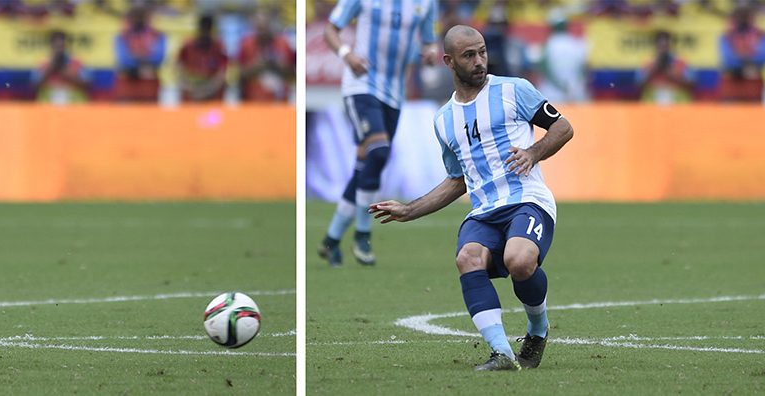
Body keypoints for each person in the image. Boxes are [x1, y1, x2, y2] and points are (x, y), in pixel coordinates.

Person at [369, 25, 574, 371]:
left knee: (520, 260)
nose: (479, 61)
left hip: (527, 199)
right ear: (449, 61)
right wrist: (409, 209)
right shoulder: (444, 120)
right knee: (467, 257)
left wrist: (533, 152)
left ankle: (537, 329)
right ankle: (502, 353)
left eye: (482, 52)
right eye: (469, 55)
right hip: (483, 211)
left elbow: (563, 127)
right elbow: (456, 181)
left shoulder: (514, 90)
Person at [317, 0, 439, 267]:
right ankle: (362, 234)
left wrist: (430, 51)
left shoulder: (426, 3)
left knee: (366, 166)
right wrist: (347, 54)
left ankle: (331, 241)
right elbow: (330, 30)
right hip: (360, 85)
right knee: (379, 151)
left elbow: (429, 40)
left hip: (395, 95)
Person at [237, 9, 295, 102]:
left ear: (271, 25)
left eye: (265, 27)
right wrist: (257, 66)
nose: (262, 32)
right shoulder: (246, 44)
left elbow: (293, 73)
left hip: (280, 101)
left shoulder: (283, 43)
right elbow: (239, 75)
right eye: (259, 28)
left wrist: (280, 66)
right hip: (253, 101)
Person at [114, 4, 166, 102]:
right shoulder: (123, 36)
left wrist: (135, 57)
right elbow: (123, 60)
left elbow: (158, 58)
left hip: (150, 84)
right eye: (136, 15)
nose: (139, 18)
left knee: (150, 115)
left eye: (141, 15)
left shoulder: (157, 35)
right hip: (128, 83)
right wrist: (145, 60)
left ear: (148, 16)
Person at [177, 14, 227, 102]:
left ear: (211, 31)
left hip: (212, 92)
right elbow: (178, 69)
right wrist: (190, 88)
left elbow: (222, 74)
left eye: (207, 30)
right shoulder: (188, 46)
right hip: (191, 92)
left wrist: (205, 91)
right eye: (203, 29)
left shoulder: (218, 47)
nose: (204, 34)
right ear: (199, 29)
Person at [33, 30, 91, 105]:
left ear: (66, 46)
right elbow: (34, 84)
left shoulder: (77, 63)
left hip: (74, 107)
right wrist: (51, 69)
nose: (59, 50)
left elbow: (87, 83)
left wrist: (64, 71)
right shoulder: (43, 63)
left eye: (61, 46)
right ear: (51, 46)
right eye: (56, 46)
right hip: (48, 107)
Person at [637, 30, 694, 104]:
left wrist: (670, 73)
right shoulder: (648, 63)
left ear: (670, 45)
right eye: (660, 46)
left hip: (677, 104)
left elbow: (692, 83)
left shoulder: (681, 62)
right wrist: (655, 69)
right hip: (652, 105)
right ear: (655, 46)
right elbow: (638, 83)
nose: (663, 50)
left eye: (665, 46)